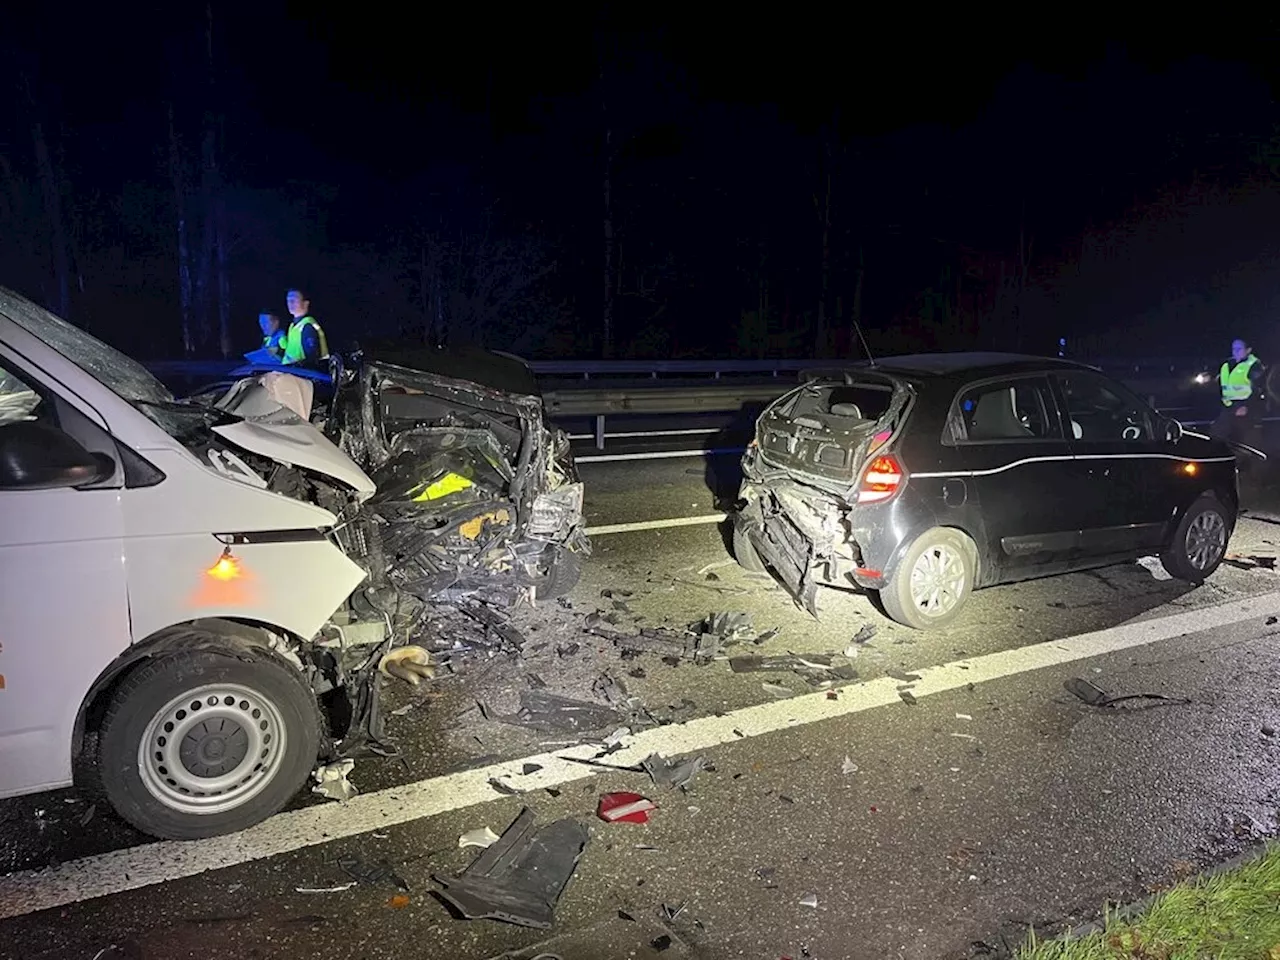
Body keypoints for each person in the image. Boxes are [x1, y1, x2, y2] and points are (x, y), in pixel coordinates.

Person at [1211, 338, 1265, 445]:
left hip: (1245, 408)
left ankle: (1253, 459)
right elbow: (1222, 386)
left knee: (1248, 441)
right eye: (1233, 348)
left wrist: (1246, 406)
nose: (1235, 351)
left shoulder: (1254, 365)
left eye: (1239, 349)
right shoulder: (1227, 364)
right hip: (1228, 406)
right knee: (1216, 435)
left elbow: (1259, 389)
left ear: (1248, 350)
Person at [281, 288, 329, 368]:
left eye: (294, 299)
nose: (290, 303)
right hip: (291, 373)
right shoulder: (294, 325)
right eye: (288, 300)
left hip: (302, 376)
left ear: (306, 303)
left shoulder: (308, 326)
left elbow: (312, 361)